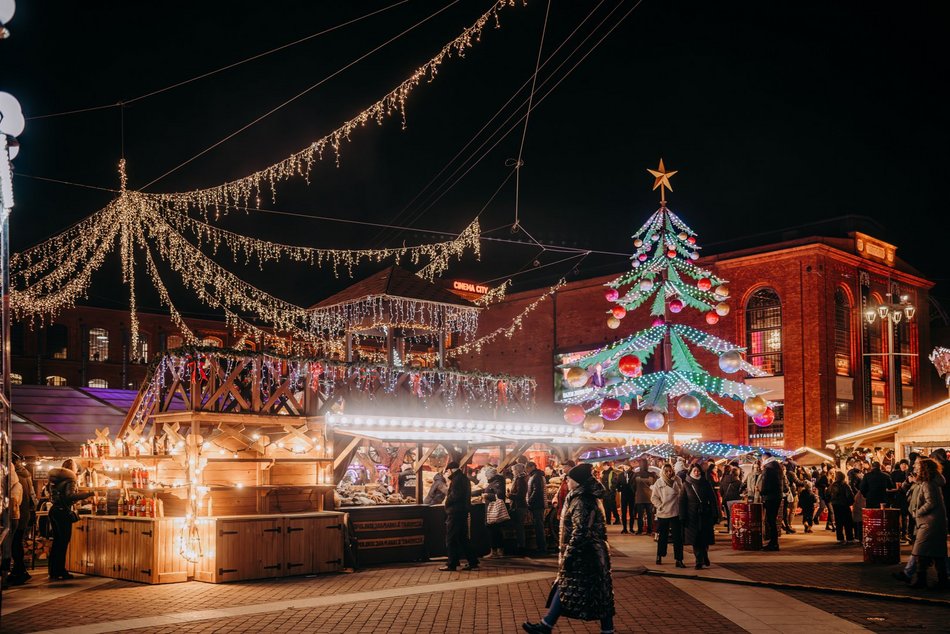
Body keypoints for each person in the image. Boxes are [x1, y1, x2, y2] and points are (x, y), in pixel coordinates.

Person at [522, 463, 615, 634]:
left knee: (589, 590)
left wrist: (570, 553)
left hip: (585, 553)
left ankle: (547, 625)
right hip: (589, 552)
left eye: (569, 479)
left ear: (577, 482)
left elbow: (581, 531)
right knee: (584, 589)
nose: (567, 481)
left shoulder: (582, 500)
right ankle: (547, 624)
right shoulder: (581, 497)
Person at [48, 459, 94, 580]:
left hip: (54, 510)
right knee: (63, 542)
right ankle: (61, 571)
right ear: (72, 469)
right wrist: (88, 494)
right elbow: (70, 496)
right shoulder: (71, 480)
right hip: (63, 512)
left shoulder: (54, 480)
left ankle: (53, 571)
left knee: (57, 542)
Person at [908, 458, 948, 589]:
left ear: (924, 469)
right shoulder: (932, 483)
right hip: (935, 522)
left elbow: (931, 502)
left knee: (921, 551)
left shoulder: (928, 484)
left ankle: (922, 580)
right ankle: (942, 579)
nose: (916, 469)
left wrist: (917, 512)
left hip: (929, 523)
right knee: (936, 552)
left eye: (919, 467)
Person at [438, 461, 479, 572]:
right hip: (462, 511)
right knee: (462, 538)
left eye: (447, 471)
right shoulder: (463, 478)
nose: (447, 473)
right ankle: (473, 561)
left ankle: (452, 564)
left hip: (455, 512)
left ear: (451, 470)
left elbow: (455, 495)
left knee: (451, 538)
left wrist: (447, 501)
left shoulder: (457, 480)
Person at [681, 464, 716, 569]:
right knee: (695, 538)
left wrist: (715, 514)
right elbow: (682, 501)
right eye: (694, 471)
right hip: (692, 515)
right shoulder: (686, 484)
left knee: (704, 537)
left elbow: (713, 499)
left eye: (698, 471)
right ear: (691, 471)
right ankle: (698, 560)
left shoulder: (706, 483)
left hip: (705, 514)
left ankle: (704, 555)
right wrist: (682, 516)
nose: (696, 472)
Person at [5, 466, 35, 586]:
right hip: (22, 514)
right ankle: (20, 571)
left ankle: (19, 572)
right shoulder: (25, 476)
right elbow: (32, 497)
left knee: (14, 545)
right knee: (16, 544)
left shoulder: (14, 481)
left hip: (16, 516)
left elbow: (14, 502)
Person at [651, 463, 685, 567]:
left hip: (675, 512)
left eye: (670, 470)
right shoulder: (659, 482)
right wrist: (660, 505)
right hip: (664, 513)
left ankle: (679, 559)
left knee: (678, 537)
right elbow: (654, 497)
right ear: (663, 472)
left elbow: (682, 493)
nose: (669, 473)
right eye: (667, 471)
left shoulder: (677, 480)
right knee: (663, 537)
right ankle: (659, 555)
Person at [758, 457, 784, 551]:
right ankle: (774, 542)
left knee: (770, 520)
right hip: (777, 496)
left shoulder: (768, 469)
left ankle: (773, 543)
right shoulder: (778, 469)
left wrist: (761, 492)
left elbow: (766, 484)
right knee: (772, 520)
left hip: (770, 497)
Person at [484, 467, 508, 558]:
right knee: (494, 530)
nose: (486, 477)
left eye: (487, 475)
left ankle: (496, 551)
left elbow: (500, 495)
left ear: (491, 475)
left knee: (495, 531)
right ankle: (495, 551)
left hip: (493, 510)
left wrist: (487, 495)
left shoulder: (497, 482)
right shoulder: (494, 482)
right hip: (491, 509)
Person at [828, 470, 856, 544]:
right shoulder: (845, 485)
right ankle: (849, 538)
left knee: (838, 522)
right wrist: (850, 503)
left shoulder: (832, 485)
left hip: (835, 505)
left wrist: (831, 501)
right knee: (848, 522)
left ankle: (840, 538)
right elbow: (850, 495)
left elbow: (827, 495)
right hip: (844, 505)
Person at [527, 461, 548, 555]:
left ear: (532, 467)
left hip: (538, 504)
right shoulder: (535, 475)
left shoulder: (536, 476)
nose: (526, 470)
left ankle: (542, 548)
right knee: (538, 526)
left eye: (527, 468)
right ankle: (541, 547)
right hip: (537, 504)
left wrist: (530, 500)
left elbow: (537, 490)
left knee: (539, 526)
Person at [633, 459, 656, 535]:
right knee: (649, 515)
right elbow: (655, 485)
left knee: (640, 515)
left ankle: (640, 530)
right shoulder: (652, 475)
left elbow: (632, 485)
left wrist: (636, 492)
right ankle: (649, 530)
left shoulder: (636, 475)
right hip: (649, 497)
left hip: (639, 497)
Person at [510, 463, 529, 554]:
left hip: (519, 505)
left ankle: (521, 547)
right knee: (519, 527)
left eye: (513, 470)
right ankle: (520, 546)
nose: (512, 472)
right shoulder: (520, 479)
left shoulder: (520, 480)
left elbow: (520, 495)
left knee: (519, 527)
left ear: (517, 471)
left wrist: (510, 495)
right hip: (519, 505)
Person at [720, 465, 742, 534]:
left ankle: (730, 530)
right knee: (736, 515)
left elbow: (721, 491)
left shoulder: (724, 480)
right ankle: (735, 529)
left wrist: (723, 496)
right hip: (736, 499)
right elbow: (741, 491)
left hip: (727, 499)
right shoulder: (738, 482)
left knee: (729, 515)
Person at [615, 463, 636, 534]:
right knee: (623, 512)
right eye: (625, 466)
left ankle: (631, 528)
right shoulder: (620, 475)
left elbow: (635, 484)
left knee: (631, 512)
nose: (626, 468)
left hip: (632, 495)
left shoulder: (633, 474)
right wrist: (620, 489)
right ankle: (624, 528)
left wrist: (633, 490)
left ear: (630, 467)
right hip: (624, 495)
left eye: (627, 466)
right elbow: (617, 485)